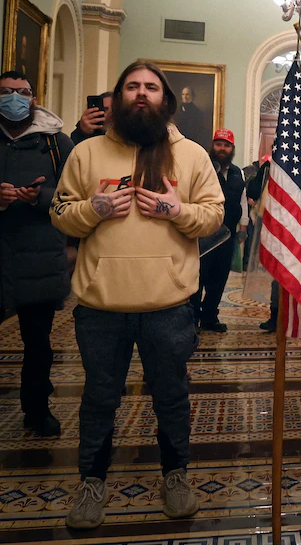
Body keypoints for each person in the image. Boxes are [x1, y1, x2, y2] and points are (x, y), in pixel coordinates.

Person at [50, 61, 224, 529]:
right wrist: (94, 208)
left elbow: (213, 216)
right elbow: (60, 213)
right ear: (117, 97)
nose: (141, 94)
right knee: (99, 398)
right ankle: (92, 483)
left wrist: (177, 210)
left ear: (166, 99)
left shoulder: (192, 155)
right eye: (132, 86)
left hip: (169, 306)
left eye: (151, 87)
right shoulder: (86, 152)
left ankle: (176, 476)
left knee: (171, 397)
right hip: (100, 306)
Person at [0, 70, 73, 437]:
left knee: (38, 344)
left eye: (22, 91)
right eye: (6, 91)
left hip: (40, 255)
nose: (14, 98)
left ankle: (37, 409)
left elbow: (73, 192)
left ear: (33, 98)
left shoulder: (57, 143)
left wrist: (38, 197)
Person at [191, 128, 248, 332]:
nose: (222, 149)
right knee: (198, 278)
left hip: (228, 236)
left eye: (226, 145)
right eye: (219, 144)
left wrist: (243, 226)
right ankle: (192, 319)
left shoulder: (238, 172)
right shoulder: (202, 168)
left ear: (232, 148)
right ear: (212, 145)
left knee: (219, 278)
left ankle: (210, 318)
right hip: (203, 235)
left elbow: (242, 199)